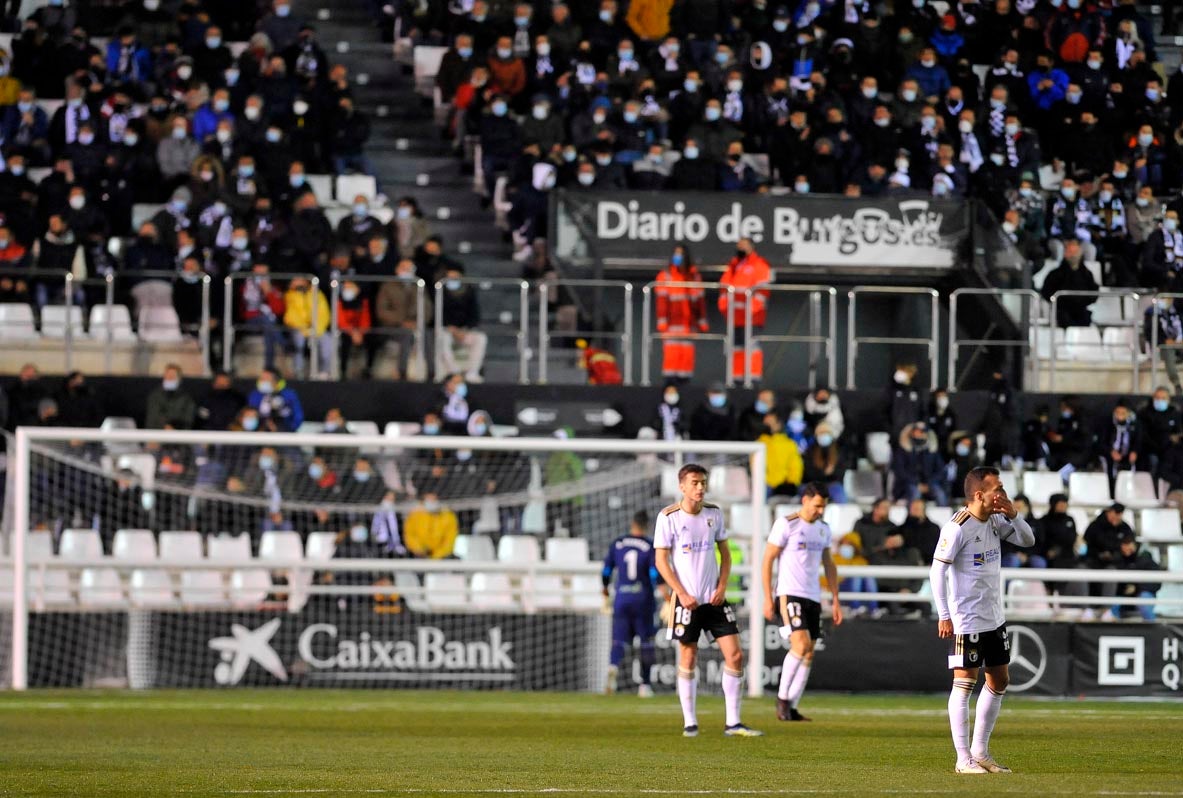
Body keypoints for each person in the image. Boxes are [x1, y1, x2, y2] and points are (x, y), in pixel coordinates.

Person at [931, 466, 1035, 775]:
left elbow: (1028, 541)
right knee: (964, 684)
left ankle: (981, 752)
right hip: (967, 619)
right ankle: (963, 759)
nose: (1002, 494)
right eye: (998, 489)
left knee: (1000, 680)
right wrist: (944, 614)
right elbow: (937, 570)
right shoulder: (957, 527)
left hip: (994, 617)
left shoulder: (996, 520)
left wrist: (1014, 514)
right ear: (980, 494)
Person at [654, 463, 761, 737]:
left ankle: (733, 722)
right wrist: (680, 591)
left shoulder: (714, 514)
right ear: (682, 486)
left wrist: (722, 585)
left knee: (735, 656)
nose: (700, 487)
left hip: (714, 598)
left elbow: (725, 553)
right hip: (686, 600)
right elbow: (661, 561)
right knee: (688, 656)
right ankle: (690, 722)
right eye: (694, 483)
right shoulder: (668, 517)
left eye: (703, 482)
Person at [761, 482, 842, 722]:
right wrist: (768, 597)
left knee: (809, 653)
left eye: (823, 507)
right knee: (800, 644)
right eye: (817, 506)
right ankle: (782, 700)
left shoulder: (823, 529)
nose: (820, 511)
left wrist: (835, 599)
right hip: (789, 593)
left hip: (813, 596)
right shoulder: (787, 524)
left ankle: (792, 707)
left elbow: (828, 564)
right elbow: (767, 561)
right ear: (805, 500)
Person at [601, 510, 664, 697]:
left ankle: (613, 667)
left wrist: (605, 589)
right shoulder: (649, 545)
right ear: (646, 526)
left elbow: (606, 571)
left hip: (621, 599)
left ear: (632, 523)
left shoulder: (618, 543)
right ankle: (644, 686)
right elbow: (654, 573)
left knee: (618, 640)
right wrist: (663, 592)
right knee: (646, 643)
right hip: (642, 600)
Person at [717, 238, 771, 382]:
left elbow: (762, 292)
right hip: (734, 317)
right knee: (736, 349)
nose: (740, 248)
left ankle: (752, 379)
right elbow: (724, 288)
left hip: (752, 318)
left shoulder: (759, 265)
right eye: (738, 245)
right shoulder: (734, 266)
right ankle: (736, 379)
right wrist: (724, 308)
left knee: (752, 349)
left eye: (743, 245)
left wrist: (750, 311)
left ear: (751, 247)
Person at [654, 245, 708, 382]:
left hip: (689, 323)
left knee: (687, 355)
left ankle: (684, 383)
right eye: (676, 254)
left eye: (681, 254)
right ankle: (670, 385)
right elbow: (661, 300)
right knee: (671, 355)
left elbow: (699, 301)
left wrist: (702, 321)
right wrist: (662, 321)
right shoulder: (665, 275)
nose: (677, 257)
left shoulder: (694, 276)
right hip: (671, 323)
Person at [1143, 297, 1183, 396]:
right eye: (1161, 298)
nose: (1164, 300)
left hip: (1180, 344)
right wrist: (1164, 340)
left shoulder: (1179, 311)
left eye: (1166, 298)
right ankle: (1177, 384)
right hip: (1164, 346)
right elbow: (1149, 333)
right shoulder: (1151, 313)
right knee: (1167, 350)